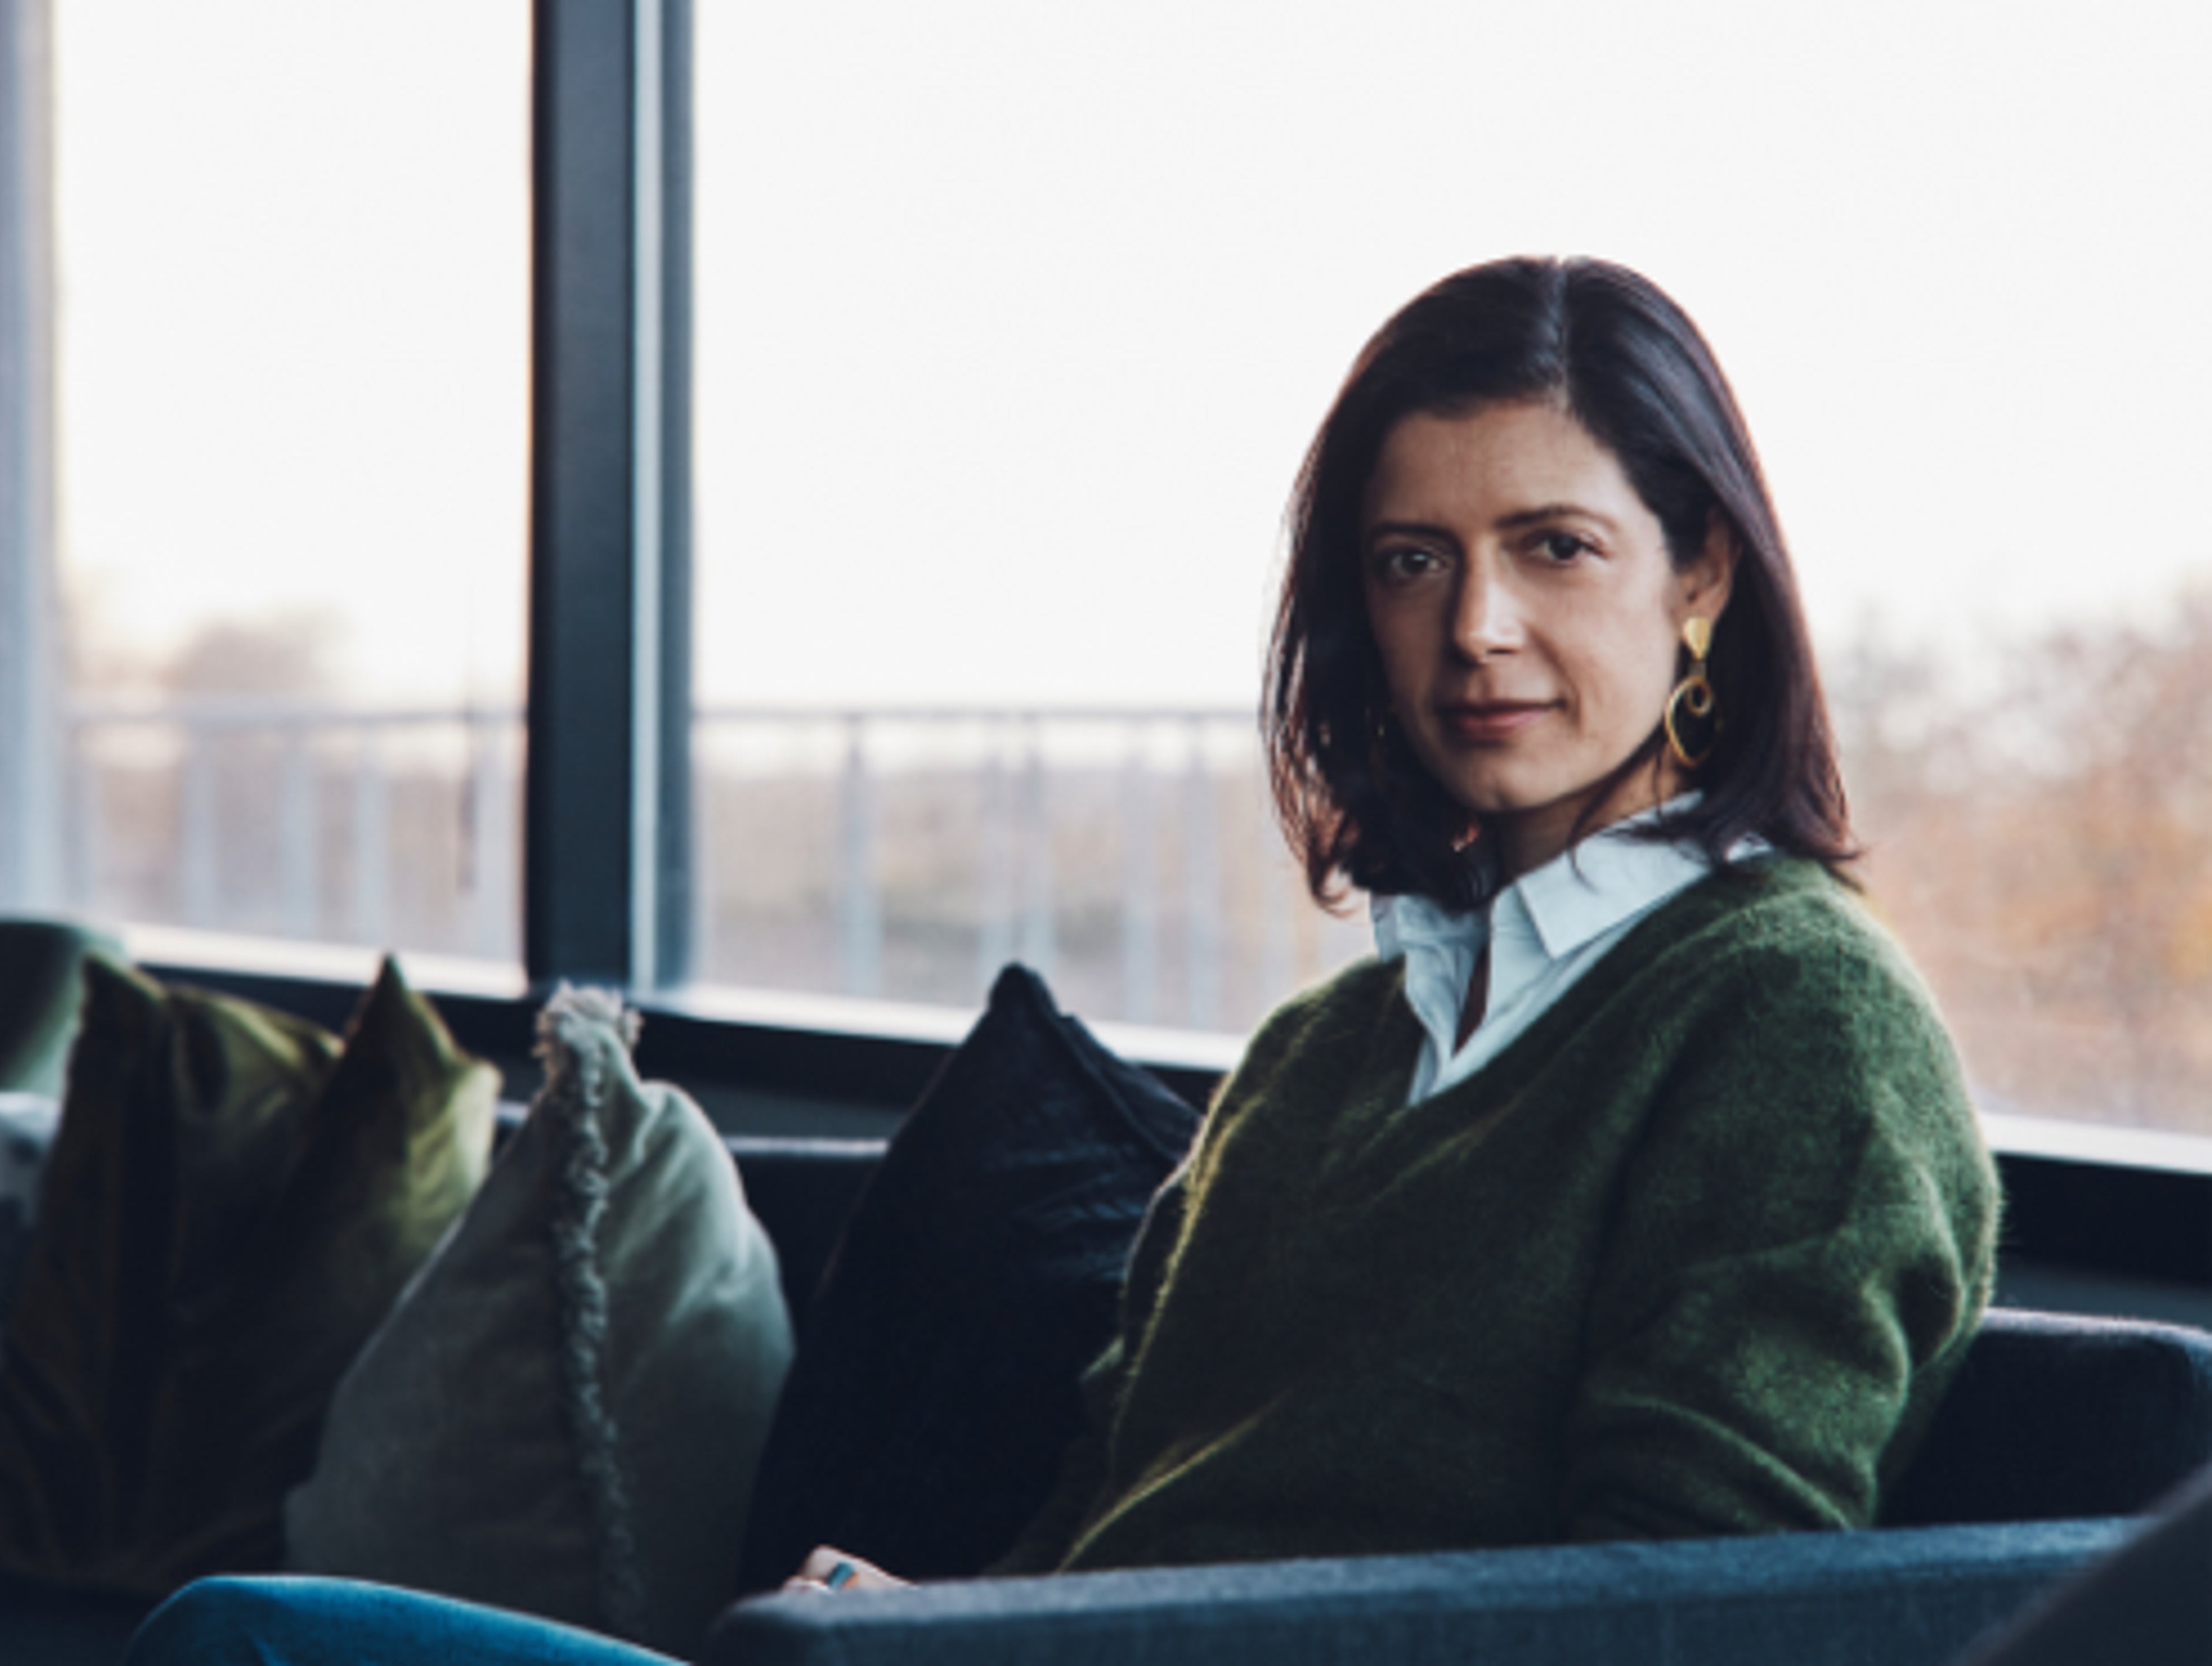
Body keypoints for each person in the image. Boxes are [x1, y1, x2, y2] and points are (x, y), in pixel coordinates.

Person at [126, 256, 1998, 1657]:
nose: (1479, 628)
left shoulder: (1795, 1017)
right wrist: (934, 1616)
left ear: (1703, 582)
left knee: (259, 1643)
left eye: (1556, 546)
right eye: (1411, 561)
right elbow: (1111, 1508)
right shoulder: (1325, 1053)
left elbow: (1697, 1611)